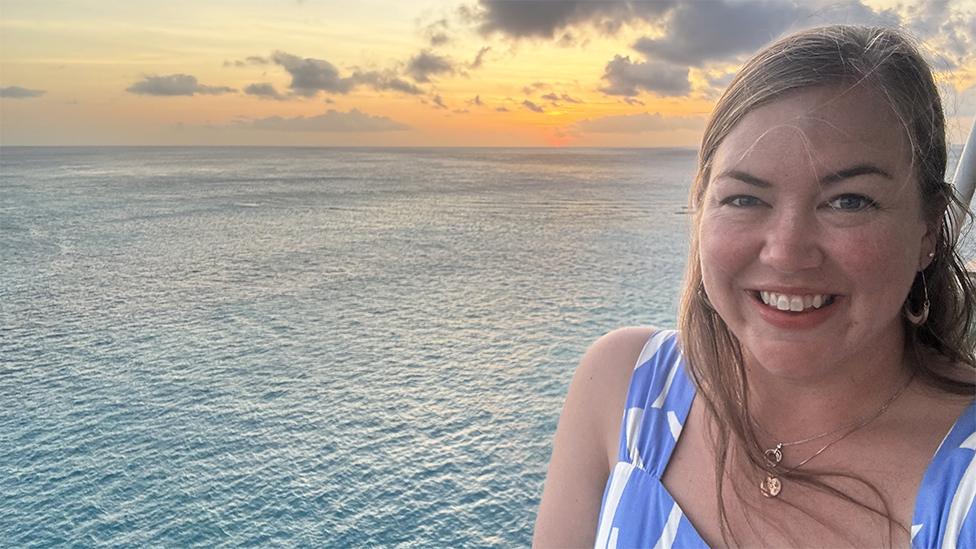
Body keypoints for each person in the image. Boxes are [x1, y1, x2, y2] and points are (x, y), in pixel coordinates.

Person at [533, 25, 976, 548]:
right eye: (744, 198)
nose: (787, 252)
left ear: (928, 228)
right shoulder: (623, 386)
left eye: (849, 200)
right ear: (701, 208)